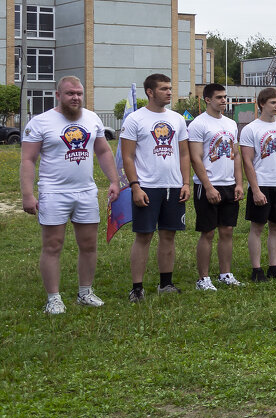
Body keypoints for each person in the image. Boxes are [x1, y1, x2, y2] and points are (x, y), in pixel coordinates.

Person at [20, 76, 120, 313]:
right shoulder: (41, 122)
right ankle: (53, 298)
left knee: (88, 244)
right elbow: (28, 159)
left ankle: (85, 292)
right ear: (58, 95)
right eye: (70, 93)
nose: (75, 97)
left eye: (79, 93)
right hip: (54, 192)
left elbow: (104, 151)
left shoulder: (92, 119)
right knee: (53, 245)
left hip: (86, 191)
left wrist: (114, 181)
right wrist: (27, 194)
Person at [120, 73, 190, 302]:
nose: (169, 92)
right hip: (147, 187)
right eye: (163, 89)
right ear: (149, 92)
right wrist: (135, 186)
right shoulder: (135, 119)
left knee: (168, 235)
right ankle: (137, 288)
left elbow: (184, 153)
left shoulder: (178, 119)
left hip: (173, 186)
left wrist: (186, 183)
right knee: (144, 236)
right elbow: (127, 157)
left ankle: (165, 283)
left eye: (170, 88)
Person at [187, 83, 243, 290]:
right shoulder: (198, 124)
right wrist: (208, 187)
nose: (223, 100)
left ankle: (225, 273)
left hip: (229, 184)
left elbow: (235, 155)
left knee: (227, 230)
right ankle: (203, 278)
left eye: (225, 97)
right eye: (219, 97)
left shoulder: (230, 124)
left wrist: (238, 183)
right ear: (207, 100)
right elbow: (195, 158)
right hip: (208, 185)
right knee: (208, 232)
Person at [239, 87, 276, 281]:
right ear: (262, 104)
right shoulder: (251, 129)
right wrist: (255, 190)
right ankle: (256, 269)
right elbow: (247, 161)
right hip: (262, 184)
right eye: (273, 102)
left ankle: (274, 266)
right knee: (257, 227)